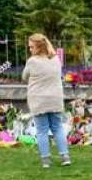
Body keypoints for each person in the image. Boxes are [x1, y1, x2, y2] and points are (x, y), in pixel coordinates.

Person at [22, 33, 70, 168]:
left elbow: (24, 77)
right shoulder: (55, 60)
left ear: (38, 47)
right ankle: (65, 156)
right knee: (58, 128)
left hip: (39, 100)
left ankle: (46, 160)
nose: (30, 50)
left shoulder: (32, 61)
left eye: (31, 47)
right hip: (55, 99)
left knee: (42, 130)